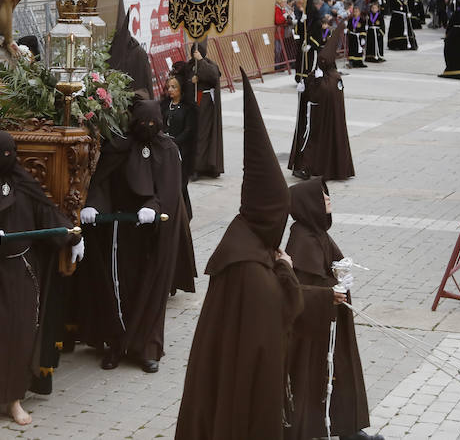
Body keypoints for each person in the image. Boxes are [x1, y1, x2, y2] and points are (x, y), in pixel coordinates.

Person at [175, 72, 303, 439]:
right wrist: (286, 269)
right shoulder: (250, 266)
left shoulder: (243, 242)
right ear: (267, 214)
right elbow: (286, 310)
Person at [0, 131, 83, 425]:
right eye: (1, 152)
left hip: (23, 269)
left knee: (20, 334)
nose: (7, 158)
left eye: (11, 151)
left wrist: (71, 235)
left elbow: (46, 213)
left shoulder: (23, 183)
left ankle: (14, 400)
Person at [77, 99, 196, 374]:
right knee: (119, 288)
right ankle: (116, 344)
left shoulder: (167, 150)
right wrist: (96, 205)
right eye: (143, 123)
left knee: (149, 289)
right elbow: (103, 182)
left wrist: (153, 207)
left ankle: (146, 347)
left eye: (153, 124)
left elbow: (169, 190)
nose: (148, 128)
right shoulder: (119, 147)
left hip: (153, 236)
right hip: (120, 232)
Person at [285, 178, 382, 440]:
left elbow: (330, 266)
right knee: (321, 376)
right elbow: (301, 288)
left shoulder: (317, 233)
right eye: (323, 196)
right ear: (309, 205)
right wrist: (331, 289)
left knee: (339, 373)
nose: (328, 199)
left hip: (330, 324)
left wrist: (340, 275)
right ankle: (323, 429)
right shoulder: (302, 238)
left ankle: (348, 428)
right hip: (314, 330)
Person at [289, 24, 355, 181]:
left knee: (314, 142)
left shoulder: (333, 78)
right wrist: (305, 83)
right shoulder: (323, 75)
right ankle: (305, 166)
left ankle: (308, 168)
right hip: (318, 116)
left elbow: (322, 94)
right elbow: (310, 90)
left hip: (322, 118)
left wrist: (316, 84)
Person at [176, 41, 224, 179]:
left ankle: (206, 166)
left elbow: (214, 75)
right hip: (191, 106)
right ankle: (193, 167)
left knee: (203, 137)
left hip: (205, 107)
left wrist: (200, 63)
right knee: (192, 136)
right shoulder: (188, 67)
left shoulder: (208, 64)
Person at [161, 75, 197, 220]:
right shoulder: (164, 105)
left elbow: (189, 130)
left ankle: (186, 214)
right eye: (169, 87)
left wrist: (174, 142)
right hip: (165, 148)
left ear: (181, 89)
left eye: (174, 87)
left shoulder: (189, 108)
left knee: (181, 184)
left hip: (181, 150)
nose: (170, 90)